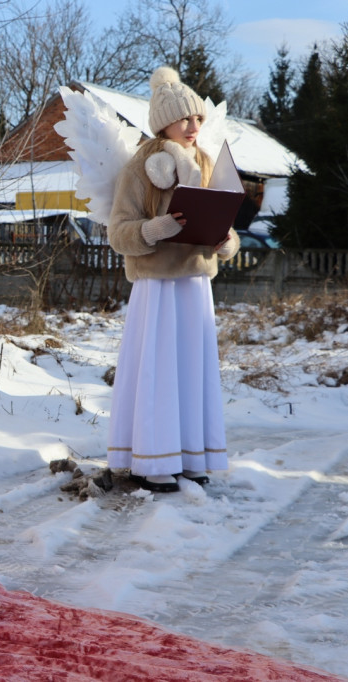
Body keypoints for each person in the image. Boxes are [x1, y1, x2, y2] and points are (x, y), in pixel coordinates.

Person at [105, 67, 240, 493]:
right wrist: (151, 230)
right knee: (158, 371)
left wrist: (226, 242)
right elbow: (117, 231)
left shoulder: (206, 163)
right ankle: (152, 460)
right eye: (185, 118)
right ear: (162, 121)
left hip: (196, 285)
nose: (193, 126)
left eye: (198, 119)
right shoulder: (139, 168)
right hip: (157, 287)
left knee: (191, 372)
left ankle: (191, 457)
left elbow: (229, 227)